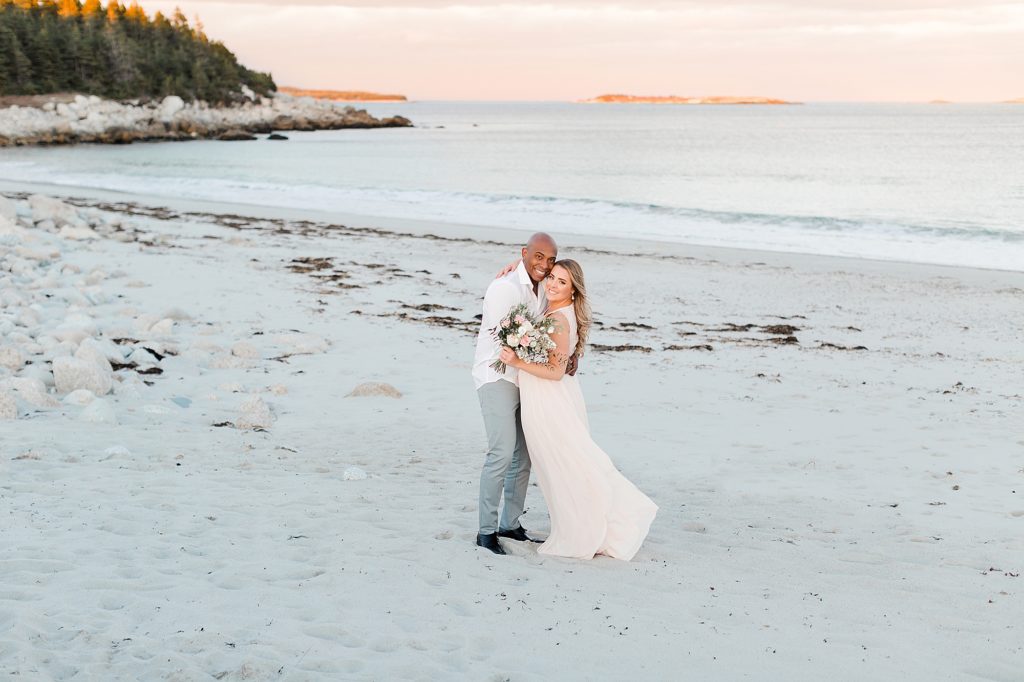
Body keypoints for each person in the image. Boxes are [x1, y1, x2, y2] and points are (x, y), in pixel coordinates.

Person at [499, 260, 657, 560]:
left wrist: (516, 361)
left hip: (550, 400)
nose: (553, 285)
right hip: (549, 396)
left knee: (568, 463)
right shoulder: (555, 310)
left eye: (562, 282)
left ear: (573, 291)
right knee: (563, 464)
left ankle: (598, 526)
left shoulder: (559, 319)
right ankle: (581, 523)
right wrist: (515, 266)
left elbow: (556, 371)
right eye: (552, 278)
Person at [472, 232, 559, 555]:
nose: (544, 264)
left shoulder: (545, 289)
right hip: (496, 375)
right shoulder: (504, 287)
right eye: (538, 257)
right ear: (524, 253)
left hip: (528, 380)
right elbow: (503, 338)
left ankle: (510, 524)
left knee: (524, 455)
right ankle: (485, 532)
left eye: (550, 259)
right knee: (502, 452)